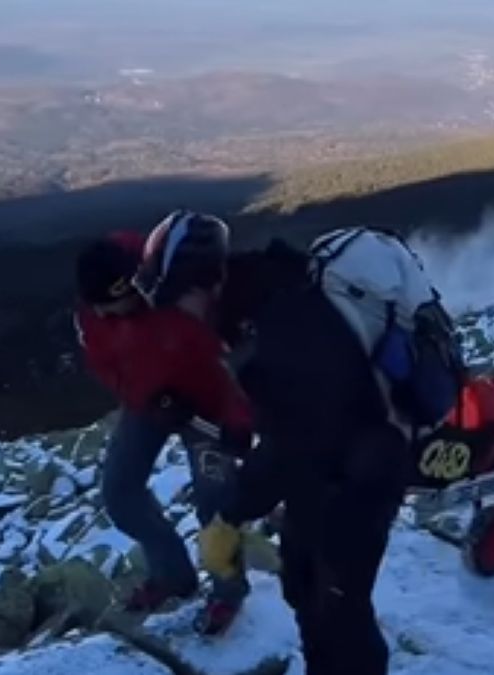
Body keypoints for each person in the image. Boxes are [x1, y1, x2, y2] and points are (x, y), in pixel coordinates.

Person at [199, 238, 412, 675]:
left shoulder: (289, 329)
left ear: (206, 289)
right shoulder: (280, 303)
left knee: (341, 610)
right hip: (326, 474)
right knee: (302, 586)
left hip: (363, 480)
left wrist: (231, 516)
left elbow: (290, 442)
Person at [72, 211, 252, 634]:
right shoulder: (96, 306)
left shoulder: (184, 291)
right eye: (95, 305)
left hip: (209, 410)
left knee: (215, 501)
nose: (100, 312)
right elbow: (107, 366)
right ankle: (173, 575)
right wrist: (149, 400)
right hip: (151, 404)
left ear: (130, 287)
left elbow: (237, 365)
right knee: (120, 492)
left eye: (109, 304)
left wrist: (239, 423)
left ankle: (228, 591)